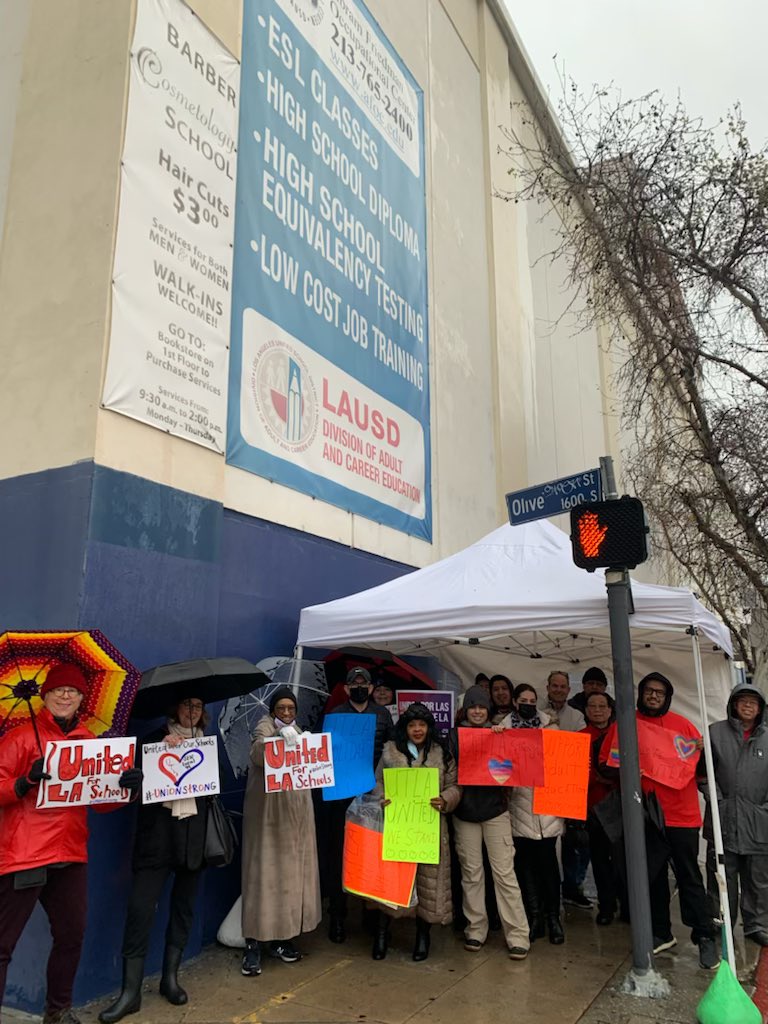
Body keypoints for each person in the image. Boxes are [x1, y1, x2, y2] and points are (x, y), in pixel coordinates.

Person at [0, 664, 141, 1024]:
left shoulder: (89, 743)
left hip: (69, 853)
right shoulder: (19, 737)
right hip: (25, 853)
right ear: (45, 696)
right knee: (3, 946)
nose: (66, 695)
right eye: (59, 690)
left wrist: (126, 786)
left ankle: (58, 1011)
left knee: (71, 935)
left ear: (82, 700)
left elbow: (102, 802)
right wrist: (23, 782)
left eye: (73, 691)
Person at [99, 695, 218, 1022]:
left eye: (197, 706)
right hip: (158, 839)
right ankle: (130, 991)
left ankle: (170, 978)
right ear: (174, 708)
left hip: (193, 841)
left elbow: (211, 790)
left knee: (183, 909)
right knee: (140, 909)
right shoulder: (152, 741)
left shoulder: (208, 743)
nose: (192, 711)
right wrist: (158, 758)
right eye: (186, 705)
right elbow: (133, 787)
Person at [600, 672, 720, 969]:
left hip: (682, 815)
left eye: (660, 692)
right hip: (644, 814)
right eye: (649, 691)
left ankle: (704, 935)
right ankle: (661, 931)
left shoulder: (684, 727)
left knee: (689, 875)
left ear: (668, 697)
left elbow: (703, 771)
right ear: (641, 693)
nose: (654, 696)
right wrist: (626, 773)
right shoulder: (625, 725)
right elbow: (605, 765)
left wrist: (705, 753)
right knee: (652, 876)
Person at [240, 687, 321, 976]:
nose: (287, 713)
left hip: (293, 822)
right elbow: (258, 754)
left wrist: (309, 746)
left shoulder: (299, 731)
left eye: (291, 708)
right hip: (267, 821)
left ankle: (282, 938)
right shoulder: (263, 728)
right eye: (282, 708)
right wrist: (276, 740)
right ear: (273, 709)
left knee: (288, 879)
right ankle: (253, 943)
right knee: (261, 878)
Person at [371, 703, 460, 962]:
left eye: (422, 724)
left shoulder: (442, 753)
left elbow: (455, 786)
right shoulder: (390, 752)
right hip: (398, 828)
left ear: (429, 727)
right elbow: (378, 782)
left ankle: (423, 935)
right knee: (392, 884)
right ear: (405, 728)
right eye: (412, 725)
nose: (417, 729)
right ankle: (381, 933)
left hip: (430, 827)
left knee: (427, 884)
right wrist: (382, 798)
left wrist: (445, 799)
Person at [449, 686, 529, 960]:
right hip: (464, 814)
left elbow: (517, 766)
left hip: (495, 812)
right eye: (473, 707)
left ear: (489, 710)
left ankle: (518, 934)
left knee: (505, 874)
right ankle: (475, 929)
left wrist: (500, 739)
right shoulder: (454, 736)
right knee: (471, 874)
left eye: (482, 707)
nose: (478, 711)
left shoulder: (501, 734)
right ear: (466, 709)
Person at [320, 667, 393, 943]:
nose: (360, 687)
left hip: (374, 795)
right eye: (355, 684)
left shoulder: (383, 715)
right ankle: (337, 916)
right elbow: (324, 753)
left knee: (370, 856)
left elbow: (392, 750)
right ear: (348, 688)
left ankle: (370, 914)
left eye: (365, 683)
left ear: (372, 688)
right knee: (340, 855)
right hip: (341, 796)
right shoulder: (335, 715)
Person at [700, 683, 768, 946]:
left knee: (758, 880)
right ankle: (720, 920)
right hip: (722, 818)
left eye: (754, 702)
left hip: (758, 822)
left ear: (761, 708)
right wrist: (717, 799)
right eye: (743, 700)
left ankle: (756, 925)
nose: (748, 705)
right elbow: (704, 773)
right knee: (720, 876)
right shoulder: (715, 732)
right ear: (734, 704)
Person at [500, 684, 565, 945]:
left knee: (549, 865)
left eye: (532, 699)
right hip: (518, 807)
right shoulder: (503, 730)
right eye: (523, 699)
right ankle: (534, 916)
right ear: (515, 702)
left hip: (547, 808)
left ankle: (553, 918)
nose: (528, 703)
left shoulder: (552, 728)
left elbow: (563, 764)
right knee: (524, 866)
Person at [544, 671, 593, 910]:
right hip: (542, 785)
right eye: (555, 685)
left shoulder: (577, 716)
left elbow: (580, 747)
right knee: (548, 843)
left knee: (575, 841)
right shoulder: (537, 711)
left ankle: (573, 887)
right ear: (548, 687)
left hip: (569, 784)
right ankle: (549, 890)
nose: (559, 689)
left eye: (563, 686)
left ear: (569, 689)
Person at [581, 692, 619, 925]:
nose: (597, 710)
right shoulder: (579, 738)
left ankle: (626, 904)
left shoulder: (620, 735)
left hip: (620, 807)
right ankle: (605, 906)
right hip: (593, 807)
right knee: (600, 860)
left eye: (602, 706)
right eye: (592, 706)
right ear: (586, 710)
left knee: (622, 860)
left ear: (609, 709)